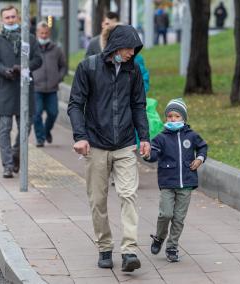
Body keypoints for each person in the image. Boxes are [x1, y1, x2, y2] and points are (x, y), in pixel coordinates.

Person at [68, 25, 150, 272]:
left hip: (125, 144)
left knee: (128, 195)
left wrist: (143, 136)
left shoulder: (132, 70)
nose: (131, 53)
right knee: (98, 200)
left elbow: (138, 104)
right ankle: (104, 247)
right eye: (128, 48)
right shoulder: (89, 67)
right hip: (96, 144)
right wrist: (80, 137)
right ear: (115, 45)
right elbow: (75, 104)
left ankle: (129, 251)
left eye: (134, 49)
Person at [143, 98, 208, 262]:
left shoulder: (191, 136)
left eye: (176, 116)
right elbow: (154, 153)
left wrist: (200, 158)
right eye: (170, 116)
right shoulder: (161, 138)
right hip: (167, 182)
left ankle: (172, 246)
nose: (173, 119)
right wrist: (148, 155)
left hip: (186, 183)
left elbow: (202, 147)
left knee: (179, 218)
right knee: (165, 214)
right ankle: (159, 237)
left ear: (184, 118)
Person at [0, 5, 42, 178]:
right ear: (2, 20)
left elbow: (38, 60)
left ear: (18, 17)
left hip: (25, 88)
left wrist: (23, 67)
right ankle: (7, 164)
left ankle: (15, 153)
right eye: (7, 18)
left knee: (26, 127)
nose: (11, 20)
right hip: (5, 88)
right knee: (4, 129)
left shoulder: (30, 39)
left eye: (13, 17)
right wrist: (6, 71)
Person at [32, 21, 67, 147]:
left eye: (46, 33)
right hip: (36, 88)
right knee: (36, 114)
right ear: (37, 33)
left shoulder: (56, 49)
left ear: (49, 33)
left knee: (53, 113)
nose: (43, 35)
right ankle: (40, 138)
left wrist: (59, 77)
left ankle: (46, 131)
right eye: (41, 33)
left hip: (52, 88)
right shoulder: (32, 48)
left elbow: (63, 66)